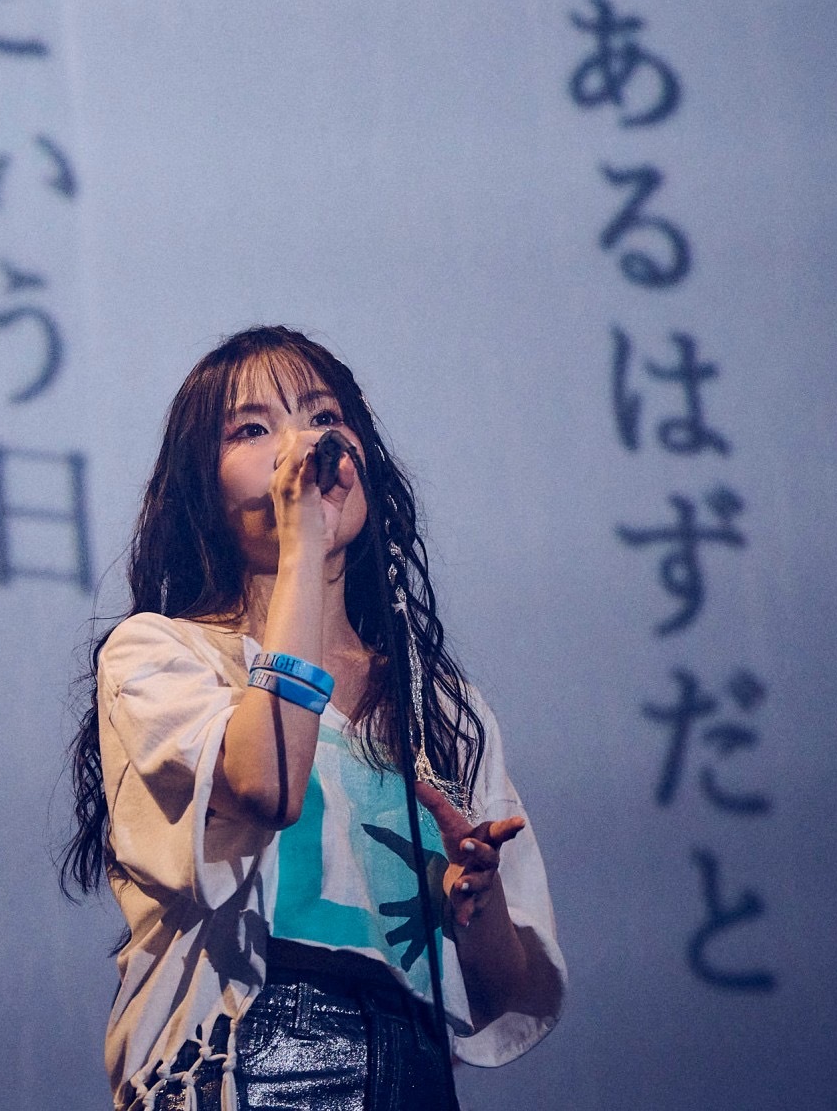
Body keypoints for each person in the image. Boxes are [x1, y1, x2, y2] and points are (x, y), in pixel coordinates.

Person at [62, 327, 565, 1111]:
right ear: (202, 489)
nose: (304, 445)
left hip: (414, 1065)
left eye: (325, 417)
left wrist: (477, 898)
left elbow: (501, 993)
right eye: (252, 429)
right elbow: (269, 784)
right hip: (248, 1056)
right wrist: (304, 546)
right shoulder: (163, 656)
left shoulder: (440, 706)